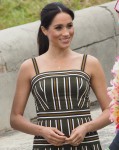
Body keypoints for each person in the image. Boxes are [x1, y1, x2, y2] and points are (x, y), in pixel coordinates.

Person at [10, 2, 111, 150]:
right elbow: (15, 118)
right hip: (45, 146)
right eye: (58, 27)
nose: (66, 33)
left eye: (69, 26)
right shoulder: (30, 67)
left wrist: (86, 127)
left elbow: (110, 111)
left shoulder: (89, 63)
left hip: (87, 144)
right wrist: (42, 130)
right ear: (44, 30)